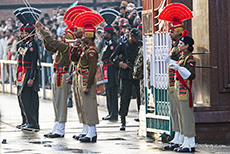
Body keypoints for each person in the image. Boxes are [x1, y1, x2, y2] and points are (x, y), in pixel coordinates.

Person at [35, 20, 75, 138]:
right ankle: (56, 125)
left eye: (64, 35)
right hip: (57, 75)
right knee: (56, 103)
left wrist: (41, 30)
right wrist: (43, 34)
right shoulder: (60, 47)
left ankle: (60, 129)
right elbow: (49, 46)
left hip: (62, 76)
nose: (61, 36)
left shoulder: (65, 47)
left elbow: (52, 42)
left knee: (61, 103)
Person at [71, 11, 103, 143]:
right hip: (80, 79)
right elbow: (74, 59)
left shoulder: (91, 51)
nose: (81, 36)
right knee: (82, 106)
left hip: (86, 80)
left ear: (89, 35)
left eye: (84, 34)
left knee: (89, 106)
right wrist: (75, 47)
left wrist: (88, 85)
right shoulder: (84, 49)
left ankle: (92, 133)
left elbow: (91, 70)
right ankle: (86, 130)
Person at [168, 30, 196, 152]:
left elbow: (190, 74)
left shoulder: (189, 58)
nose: (179, 45)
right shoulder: (182, 57)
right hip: (180, 89)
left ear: (187, 46)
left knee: (187, 116)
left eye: (181, 43)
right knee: (181, 116)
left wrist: (179, 68)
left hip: (186, 89)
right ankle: (185, 141)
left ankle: (190, 143)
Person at [110, 28, 141, 131]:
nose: (137, 40)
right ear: (131, 36)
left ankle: (141, 118)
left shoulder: (139, 45)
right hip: (126, 74)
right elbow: (112, 58)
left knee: (140, 97)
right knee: (125, 97)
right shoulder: (123, 45)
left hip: (137, 73)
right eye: (135, 38)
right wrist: (120, 64)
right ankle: (123, 120)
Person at [20, 24, 40, 132]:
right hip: (26, 73)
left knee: (27, 97)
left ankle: (33, 122)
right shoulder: (27, 44)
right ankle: (29, 121)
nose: (24, 35)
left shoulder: (33, 45)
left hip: (30, 73)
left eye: (27, 33)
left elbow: (33, 63)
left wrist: (31, 77)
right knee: (25, 97)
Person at [101, 25, 118, 121]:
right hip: (106, 68)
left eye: (105, 33)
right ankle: (110, 111)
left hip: (111, 68)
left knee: (112, 91)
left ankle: (114, 113)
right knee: (108, 90)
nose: (104, 35)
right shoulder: (106, 43)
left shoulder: (113, 44)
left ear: (110, 34)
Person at [15, 25, 27, 129]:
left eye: (22, 33)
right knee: (20, 98)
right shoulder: (21, 45)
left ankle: (28, 120)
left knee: (24, 98)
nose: (20, 35)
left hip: (25, 74)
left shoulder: (28, 45)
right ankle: (23, 119)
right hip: (20, 75)